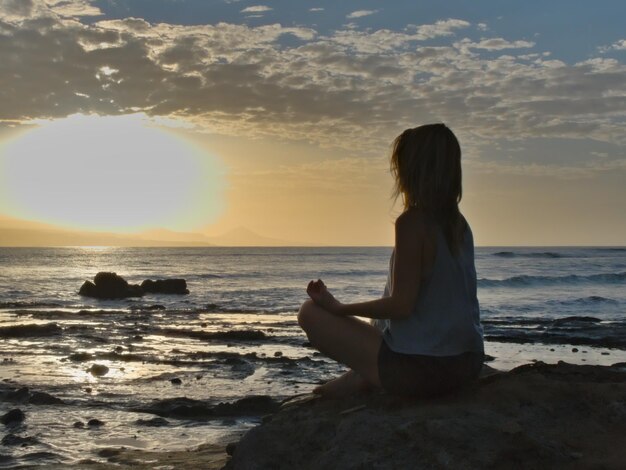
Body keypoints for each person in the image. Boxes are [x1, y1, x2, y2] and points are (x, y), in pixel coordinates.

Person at [298, 123, 484, 398]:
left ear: (414, 170)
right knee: (381, 335)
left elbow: (401, 305)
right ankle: (359, 378)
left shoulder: (413, 222)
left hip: (418, 369)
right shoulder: (460, 225)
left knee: (309, 312)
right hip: (467, 364)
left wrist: (339, 308)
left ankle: (364, 378)